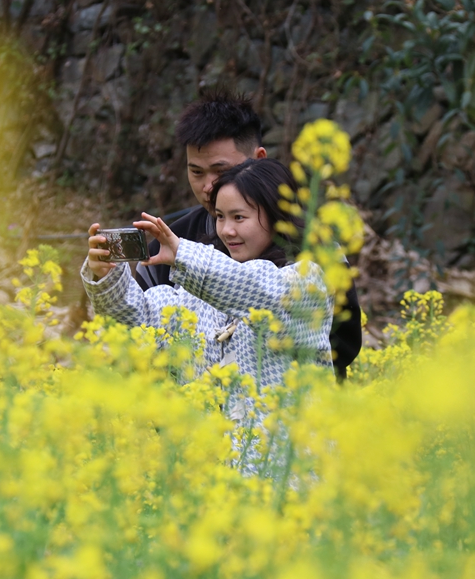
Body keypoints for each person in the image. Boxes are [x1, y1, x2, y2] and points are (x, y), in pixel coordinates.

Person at [134, 88, 362, 379]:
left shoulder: (310, 244)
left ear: (259, 159)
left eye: (221, 170)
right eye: (196, 172)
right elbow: (141, 334)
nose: (208, 186)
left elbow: (342, 343)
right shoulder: (171, 243)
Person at [82, 158, 333, 397]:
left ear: (277, 217)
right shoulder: (198, 290)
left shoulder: (306, 281)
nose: (226, 230)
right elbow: (141, 323)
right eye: (220, 217)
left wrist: (183, 254)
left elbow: (256, 289)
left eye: (239, 217)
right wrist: (110, 277)